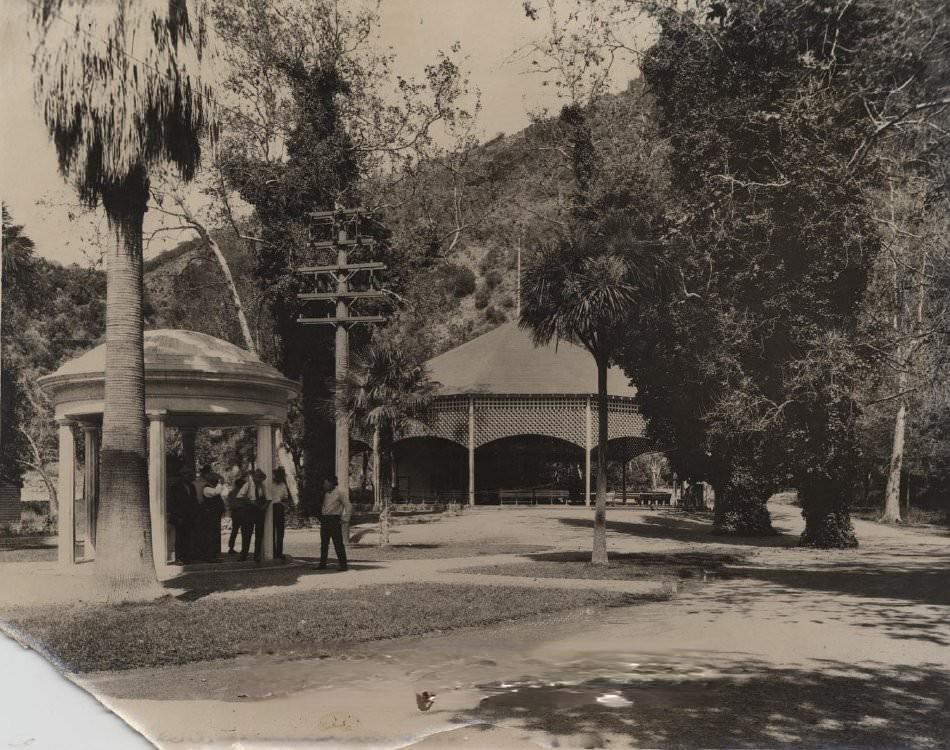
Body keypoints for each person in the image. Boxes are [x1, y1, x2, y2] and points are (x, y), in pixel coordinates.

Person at [235, 468, 269, 561]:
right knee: (246, 533)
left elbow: (268, 498)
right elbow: (239, 496)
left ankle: (257, 555)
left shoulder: (263, 486)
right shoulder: (248, 485)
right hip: (249, 510)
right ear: (254, 478)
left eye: (260, 478)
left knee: (259, 533)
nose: (259, 480)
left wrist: (264, 507)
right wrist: (249, 502)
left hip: (259, 510)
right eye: (257, 478)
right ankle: (244, 554)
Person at [318, 476, 350, 571]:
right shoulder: (324, 494)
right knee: (324, 543)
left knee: (338, 543)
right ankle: (322, 564)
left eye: (326, 483)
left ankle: (343, 565)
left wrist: (345, 518)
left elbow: (348, 505)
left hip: (334, 519)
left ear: (331, 483)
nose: (324, 485)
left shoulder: (339, 493)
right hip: (325, 519)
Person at [167, 467, 198, 564]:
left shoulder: (192, 486)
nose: (189, 477)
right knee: (179, 538)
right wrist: (177, 516)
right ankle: (178, 558)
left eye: (190, 475)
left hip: (189, 516)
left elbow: (194, 501)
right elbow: (172, 502)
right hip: (179, 516)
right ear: (182, 475)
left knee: (188, 537)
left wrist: (194, 514)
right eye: (187, 475)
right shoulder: (175, 487)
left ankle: (186, 557)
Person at [198, 465, 226, 562]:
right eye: (215, 480)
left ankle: (214, 555)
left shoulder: (210, 488)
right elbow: (216, 492)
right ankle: (209, 556)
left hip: (214, 516)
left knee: (214, 535)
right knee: (210, 535)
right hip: (210, 516)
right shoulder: (207, 489)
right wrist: (220, 483)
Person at [226, 464, 249, 555]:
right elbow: (231, 504)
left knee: (239, 531)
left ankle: (238, 548)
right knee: (238, 531)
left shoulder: (233, 493)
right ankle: (233, 548)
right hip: (238, 512)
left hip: (239, 512)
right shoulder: (234, 493)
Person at [271, 467, 292, 561]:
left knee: (279, 531)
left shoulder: (283, 484)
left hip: (279, 507)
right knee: (272, 531)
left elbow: (285, 497)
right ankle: (273, 551)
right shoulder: (270, 484)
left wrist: (284, 501)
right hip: (272, 507)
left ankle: (278, 552)